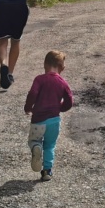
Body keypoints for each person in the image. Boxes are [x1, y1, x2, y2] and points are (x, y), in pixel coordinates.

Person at [24, 50, 73, 182]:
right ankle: (46, 171)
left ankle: (36, 147)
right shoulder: (62, 82)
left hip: (38, 120)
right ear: (62, 67)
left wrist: (28, 108)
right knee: (50, 145)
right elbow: (69, 100)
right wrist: (60, 107)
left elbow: (32, 94)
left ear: (44, 64)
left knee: (34, 140)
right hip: (54, 121)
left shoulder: (39, 79)